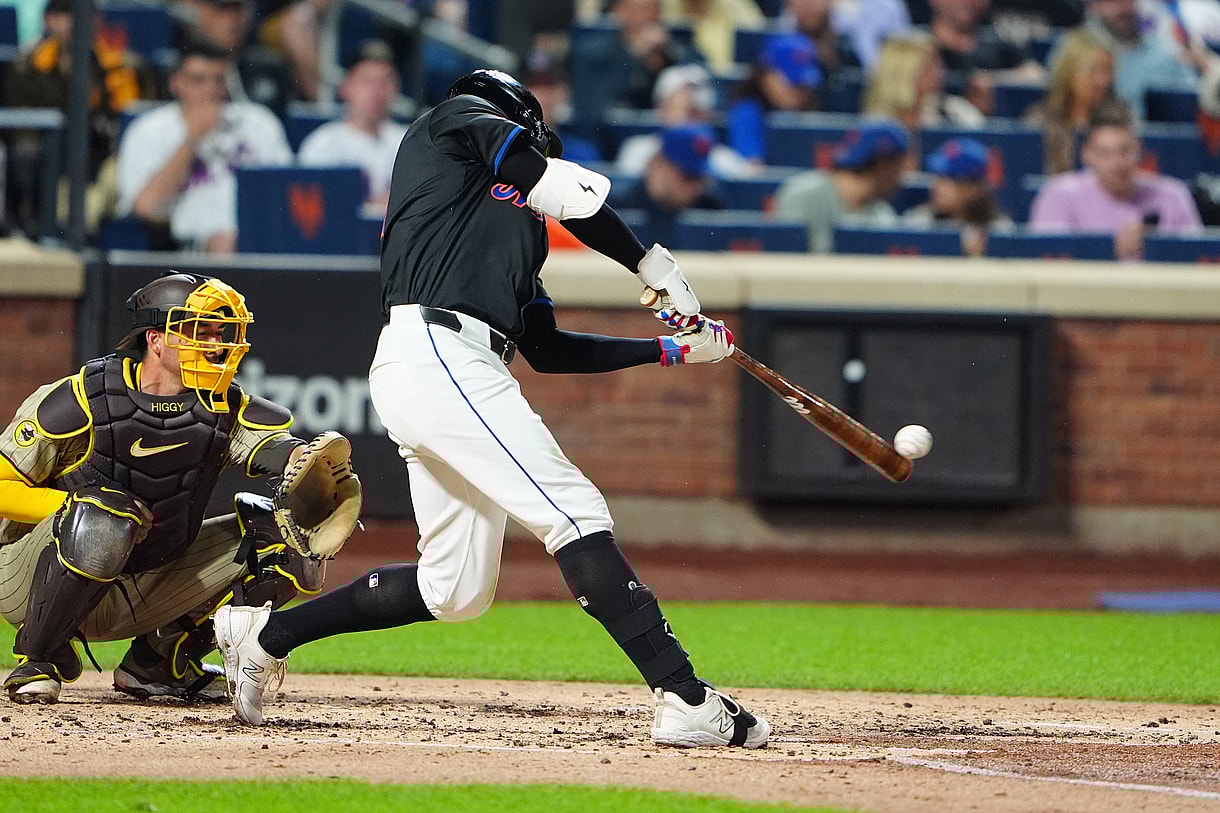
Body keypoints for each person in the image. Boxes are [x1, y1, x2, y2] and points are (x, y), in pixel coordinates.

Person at [214, 68, 770, 749]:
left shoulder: (516, 228)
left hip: (458, 362)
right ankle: (684, 696)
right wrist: (649, 261)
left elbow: (546, 347)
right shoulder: (451, 122)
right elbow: (550, 181)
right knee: (574, 511)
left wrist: (671, 351)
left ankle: (265, 633)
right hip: (436, 348)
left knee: (456, 588)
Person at [0, 272, 356, 704]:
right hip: (30, 579)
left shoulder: (223, 406)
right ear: (155, 339)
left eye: (219, 332)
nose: (215, 343)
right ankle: (39, 657)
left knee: (285, 537)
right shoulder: (80, 398)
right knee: (105, 513)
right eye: (198, 331)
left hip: (144, 579)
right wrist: (73, 505)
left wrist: (302, 460)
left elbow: (270, 449)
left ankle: (157, 663)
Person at [115, 39, 293, 253]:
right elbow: (145, 207)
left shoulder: (259, 123)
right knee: (224, 243)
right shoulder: (150, 129)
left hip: (259, 238)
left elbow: (285, 192)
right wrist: (192, 139)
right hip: (186, 246)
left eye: (219, 80)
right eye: (198, 80)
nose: (210, 89)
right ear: (176, 83)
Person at [2, 0, 161, 239]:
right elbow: (24, 131)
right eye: (62, 14)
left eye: (78, 14)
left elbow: (141, 126)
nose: (71, 23)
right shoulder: (26, 67)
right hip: (49, 163)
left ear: (96, 20)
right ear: (47, 20)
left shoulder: (125, 68)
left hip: (108, 157)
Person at [1029, 99, 1203, 260]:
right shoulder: (1059, 195)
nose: (1116, 163)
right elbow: (1049, 266)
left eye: (1124, 151)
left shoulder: (1173, 196)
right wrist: (1107, 251)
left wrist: (1157, 249)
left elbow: (1197, 262)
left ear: (1139, 150)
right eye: (1104, 153)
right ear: (1087, 154)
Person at [297, 39, 407, 214]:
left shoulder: (409, 141)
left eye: (385, 81)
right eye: (366, 81)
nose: (376, 90)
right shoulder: (322, 144)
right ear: (346, 87)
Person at [771, 118, 910, 252]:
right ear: (882, 165)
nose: (901, 180)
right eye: (899, 169)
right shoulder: (803, 195)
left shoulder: (882, 214)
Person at [861, 30, 984, 160]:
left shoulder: (955, 111)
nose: (940, 71)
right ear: (904, 72)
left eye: (939, 64)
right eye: (930, 65)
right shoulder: (874, 123)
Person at [616, 62, 754, 178]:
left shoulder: (726, 161)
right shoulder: (637, 151)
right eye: (684, 112)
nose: (689, 123)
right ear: (661, 109)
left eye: (695, 114)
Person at [608, 121, 726, 245]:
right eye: (687, 176)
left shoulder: (711, 207)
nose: (694, 186)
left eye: (700, 178)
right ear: (657, 164)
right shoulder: (616, 206)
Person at [176, 0, 296, 118]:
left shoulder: (270, 67)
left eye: (238, 11)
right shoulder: (179, 67)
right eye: (221, 10)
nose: (231, 20)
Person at [927, 0, 1045, 116]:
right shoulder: (920, 45)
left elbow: (1035, 75)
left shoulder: (997, 43)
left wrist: (994, 80)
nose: (970, 2)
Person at [1023, 28, 1116, 175]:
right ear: (1069, 72)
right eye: (1092, 71)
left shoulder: (1117, 120)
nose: (1101, 81)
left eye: (1107, 70)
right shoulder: (1040, 120)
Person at [1083, 0, 1198, 119]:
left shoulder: (1165, 53)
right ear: (1095, 5)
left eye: (1126, 1)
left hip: (1150, 133)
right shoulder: (1081, 54)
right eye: (1111, 2)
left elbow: (1191, 103)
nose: (1121, 9)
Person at [726, 32, 823, 166]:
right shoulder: (747, 112)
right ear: (766, 76)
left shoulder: (809, 111)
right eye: (794, 83)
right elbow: (753, 170)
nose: (801, 91)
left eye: (805, 85)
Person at [903, 137, 1012, 255]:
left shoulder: (1000, 231)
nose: (938, 186)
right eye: (938, 176)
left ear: (974, 188)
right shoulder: (918, 223)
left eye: (950, 178)